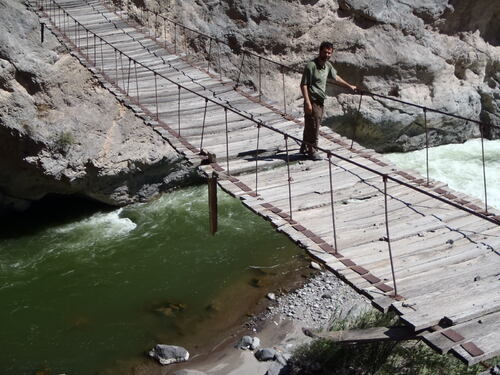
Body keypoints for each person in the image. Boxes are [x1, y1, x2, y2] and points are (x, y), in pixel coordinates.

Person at [300, 41, 357, 160]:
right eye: (325, 52)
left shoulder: (327, 66)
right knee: (314, 127)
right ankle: (313, 152)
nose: (327, 55)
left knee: (310, 125)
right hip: (313, 100)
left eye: (329, 53)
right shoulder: (311, 66)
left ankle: (304, 147)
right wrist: (307, 102)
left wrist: (349, 86)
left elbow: (336, 77)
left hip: (320, 101)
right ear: (320, 51)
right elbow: (304, 85)